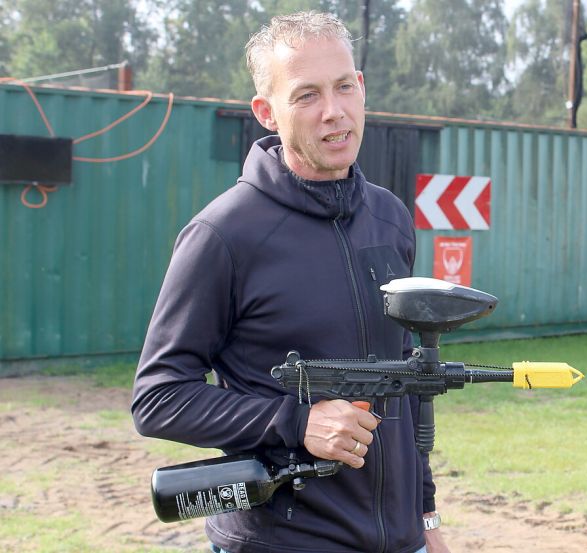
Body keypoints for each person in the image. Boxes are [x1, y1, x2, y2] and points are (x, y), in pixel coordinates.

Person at [131, 11, 449, 553]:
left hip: (401, 541)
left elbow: (408, 385)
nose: (334, 112)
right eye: (306, 96)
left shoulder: (391, 219)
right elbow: (158, 398)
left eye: (344, 87)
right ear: (266, 112)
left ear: (362, 89)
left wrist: (426, 518)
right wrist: (295, 420)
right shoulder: (223, 234)